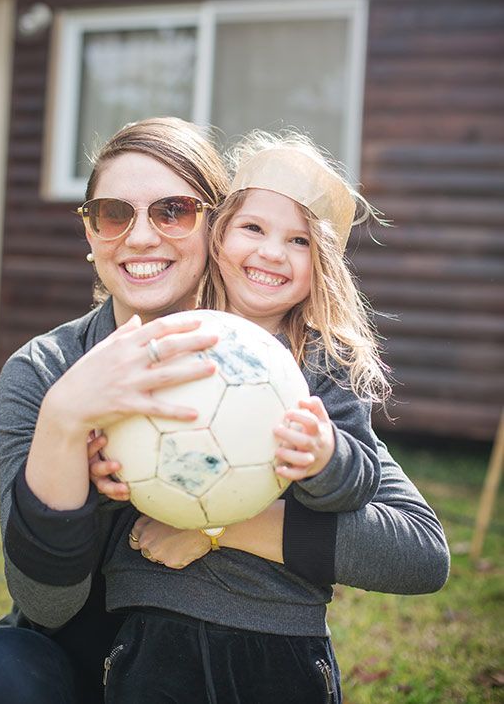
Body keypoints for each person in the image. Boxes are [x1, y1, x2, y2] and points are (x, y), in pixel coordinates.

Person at [0, 118, 449, 704]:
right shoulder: (48, 368)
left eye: (172, 211)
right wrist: (65, 424)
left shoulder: (275, 365)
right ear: (90, 231)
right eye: (113, 214)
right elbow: (45, 604)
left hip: (257, 646)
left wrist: (219, 527)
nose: (140, 238)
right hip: (93, 655)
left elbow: (419, 551)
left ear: (211, 225)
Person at [98, 131, 394, 703]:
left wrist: (325, 456)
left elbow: (360, 481)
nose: (271, 253)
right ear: (220, 234)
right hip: (159, 613)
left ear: (322, 265)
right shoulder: (174, 332)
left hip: (277, 629)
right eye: (253, 228)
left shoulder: (324, 363)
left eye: (300, 241)